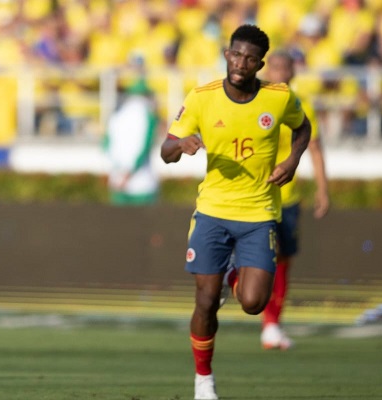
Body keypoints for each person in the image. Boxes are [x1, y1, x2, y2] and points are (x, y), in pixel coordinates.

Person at [160, 24, 311, 400]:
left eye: (249, 58)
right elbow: (165, 149)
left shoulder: (278, 98)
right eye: (235, 54)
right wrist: (181, 145)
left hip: (259, 213)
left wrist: (293, 160)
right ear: (226, 54)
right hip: (212, 211)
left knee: (253, 303)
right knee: (205, 302)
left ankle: (232, 277)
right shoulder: (201, 97)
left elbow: (303, 128)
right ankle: (203, 380)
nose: (240, 63)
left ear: (260, 63)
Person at [260, 50, 329, 350]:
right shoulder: (254, 99)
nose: (278, 73)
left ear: (292, 72)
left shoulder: (301, 105)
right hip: (255, 197)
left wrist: (322, 189)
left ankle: (272, 324)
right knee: (258, 258)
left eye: (284, 68)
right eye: (273, 67)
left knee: (282, 261)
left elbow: (314, 147)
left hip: (287, 197)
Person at [104, 78, 159, 206]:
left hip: (118, 180)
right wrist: (128, 173)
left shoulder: (116, 114)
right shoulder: (147, 114)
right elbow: (145, 145)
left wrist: (119, 172)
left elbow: (106, 145)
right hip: (142, 184)